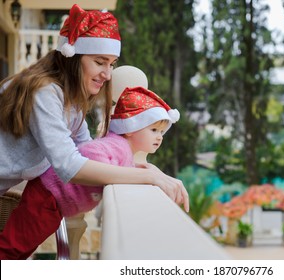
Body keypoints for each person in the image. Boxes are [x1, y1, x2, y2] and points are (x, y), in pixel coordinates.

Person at [0, 5, 187, 207]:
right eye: (100, 62)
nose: (108, 75)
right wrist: (148, 178)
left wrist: (149, 170)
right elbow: (70, 166)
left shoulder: (72, 104)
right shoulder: (45, 93)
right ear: (72, 57)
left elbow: (87, 153)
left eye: (112, 64)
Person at [0, 86, 182, 259]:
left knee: (21, 249)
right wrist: (115, 176)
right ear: (130, 129)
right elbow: (90, 152)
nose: (159, 136)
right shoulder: (117, 145)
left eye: (162, 132)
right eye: (154, 130)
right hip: (47, 196)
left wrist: (141, 171)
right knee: (13, 247)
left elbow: (118, 169)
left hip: (52, 200)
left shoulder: (124, 150)